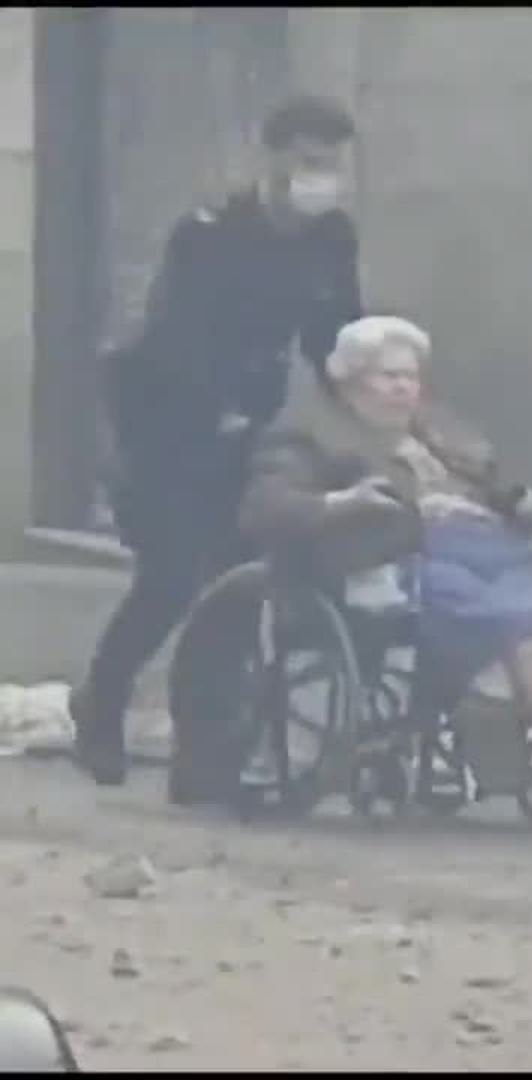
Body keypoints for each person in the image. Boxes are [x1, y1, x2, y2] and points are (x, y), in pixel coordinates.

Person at [237, 315, 532, 814]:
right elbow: (267, 507)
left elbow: (492, 481)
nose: (403, 387)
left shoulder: (438, 431)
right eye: (388, 376)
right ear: (350, 382)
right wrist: (346, 501)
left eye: (410, 376)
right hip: (401, 563)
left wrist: (516, 500)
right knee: (520, 626)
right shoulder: (310, 436)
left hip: (487, 553)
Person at [71, 95, 364, 785]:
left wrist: (366, 395)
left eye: (332, 166)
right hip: (166, 422)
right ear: (273, 159)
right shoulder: (208, 235)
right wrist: (218, 412)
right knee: (172, 577)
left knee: (238, 581)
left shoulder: (331, 239)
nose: (320, 179)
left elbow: (335, 337)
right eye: (308, 162)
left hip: (245, 424)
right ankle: (102, 699)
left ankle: (203, 746)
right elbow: (180, 340)